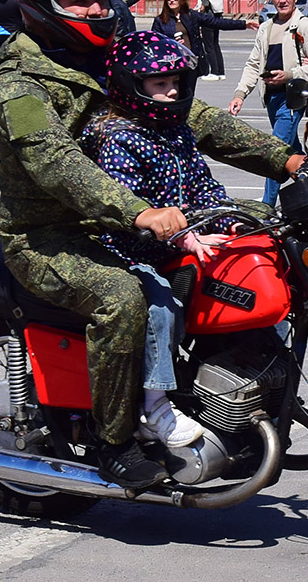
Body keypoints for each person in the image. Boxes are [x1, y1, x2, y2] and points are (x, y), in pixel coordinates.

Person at [0, 0, 308, 487]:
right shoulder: (20, 84)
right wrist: (141, 212)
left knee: (261, 244)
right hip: (50, 236)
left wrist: (286, 159)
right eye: (81, 1)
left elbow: (190, 114)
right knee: (123, 299)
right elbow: (57, 164)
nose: (97, 10)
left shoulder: (109, 55)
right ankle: (114, 439)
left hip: (129, 223)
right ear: (44, 5)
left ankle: (233, 394)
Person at [80, 31, 240, 447]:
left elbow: (204, 186)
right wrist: (179, 236)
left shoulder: (177, 131)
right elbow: (128, 210)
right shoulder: (118, 138)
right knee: (160, 305)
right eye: (158, 84)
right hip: (126, 252)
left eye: (175, 83)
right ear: (132, 86)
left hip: (177, 242)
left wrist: (229, 218)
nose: (170, 92)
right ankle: (154, 407)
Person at [227, 0, 308, 205]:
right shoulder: (266, 28)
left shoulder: (304, 26)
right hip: (271, 97)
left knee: (275, 150)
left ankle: (266, 206)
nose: (282, 0)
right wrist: (240, 94)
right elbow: (254, 64)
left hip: (292, 98)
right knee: (293, 152)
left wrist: (290, 74)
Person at [152, 0, 256, 68]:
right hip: (170, 63)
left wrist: (243, 24)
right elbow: (154, 44)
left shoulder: (191, 16)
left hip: (190, 62)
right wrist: (172, 43)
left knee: (189, 93)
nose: (172, 0)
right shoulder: (160, 20)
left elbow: (217, 22)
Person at [194, 0, 227, 80]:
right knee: (215, 45)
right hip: (217, 19)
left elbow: (203, 7)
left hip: (207, 20)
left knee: (209, 47)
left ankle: (214, 72)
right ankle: (221, 72)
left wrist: (197, 15)